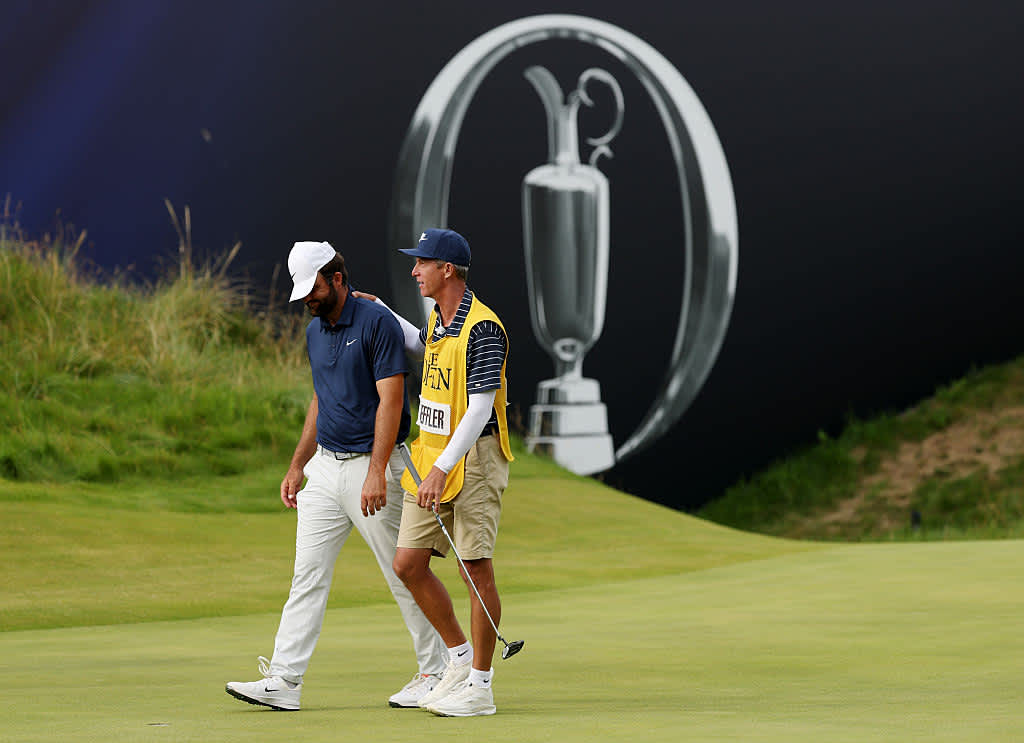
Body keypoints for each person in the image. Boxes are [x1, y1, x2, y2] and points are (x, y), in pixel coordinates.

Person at [225, 240, 447, 711]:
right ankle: (285, 680)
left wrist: (374, 472)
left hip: (376, 468)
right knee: (306, 575)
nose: (308, 298)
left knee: (404, 572)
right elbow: (320, 400)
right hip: (325, 469)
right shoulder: (314, 331)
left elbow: (391, 400)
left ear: (338, 279)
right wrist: (297, 463)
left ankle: (439, 670)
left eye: (314, 288)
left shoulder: (377, 323)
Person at [354, 228, 514, 717]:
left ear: (447, 270)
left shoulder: (483, 328)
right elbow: (420, 343)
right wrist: (381, 310)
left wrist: (441, 469)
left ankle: (481, 688)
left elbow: (480, 407)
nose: (414, 270)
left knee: (475, 568)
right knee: (408, 563)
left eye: (421, 262)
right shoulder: (440, 320)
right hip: (434, 459)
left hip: (474, 460)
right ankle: (459, 660)